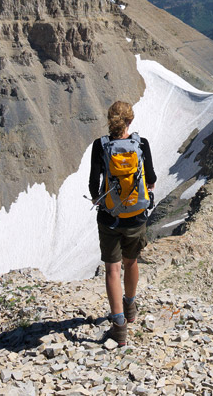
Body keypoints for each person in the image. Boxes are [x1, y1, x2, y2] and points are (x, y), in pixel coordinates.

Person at [88, 101, 156, 346]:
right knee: (131, 262)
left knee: (112, 269)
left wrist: (99, 199)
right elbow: (152, 179)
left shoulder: (100, 146)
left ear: (110, 120)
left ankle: (119, 328)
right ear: (130, 121)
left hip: (110, 218)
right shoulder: (141, 144)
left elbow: (93, 183)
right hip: (136, 217)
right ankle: (130, 306)